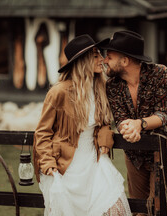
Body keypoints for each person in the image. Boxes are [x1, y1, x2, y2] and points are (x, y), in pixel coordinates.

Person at [33, 34, 132, 216]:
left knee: (114, 208)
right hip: (64, 168)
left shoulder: (100, 87)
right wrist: (48, 164)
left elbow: (102, 121)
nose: (102, 60)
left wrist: (104, 134)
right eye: (96, 56)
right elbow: (42, 132)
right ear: (83, 61)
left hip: (94, 163)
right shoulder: (59, 92)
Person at [101, 30, 167, 214]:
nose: (105, 60)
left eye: (109, 56)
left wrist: (140, 124)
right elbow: (120, 118)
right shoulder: (112, 85)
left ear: (124, 61)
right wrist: (127, 128)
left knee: (156, 209)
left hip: (165, 152)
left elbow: (165, 114)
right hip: (134, 155)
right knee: (138, 210)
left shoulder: (161, 74)